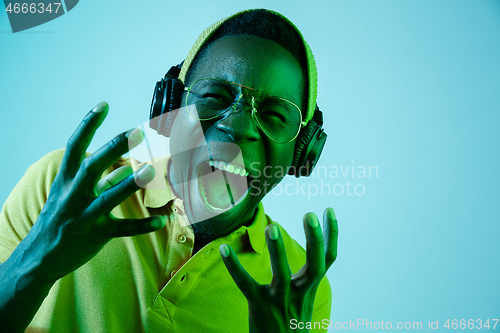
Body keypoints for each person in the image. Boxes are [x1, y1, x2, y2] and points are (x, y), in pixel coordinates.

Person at [0, 9, 338, 333]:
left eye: (275, 115)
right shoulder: (61, 189)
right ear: (170, 108)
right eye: (215, 96)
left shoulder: (301, 284)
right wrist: (35, 264)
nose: (238, 127)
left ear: (302, 152)